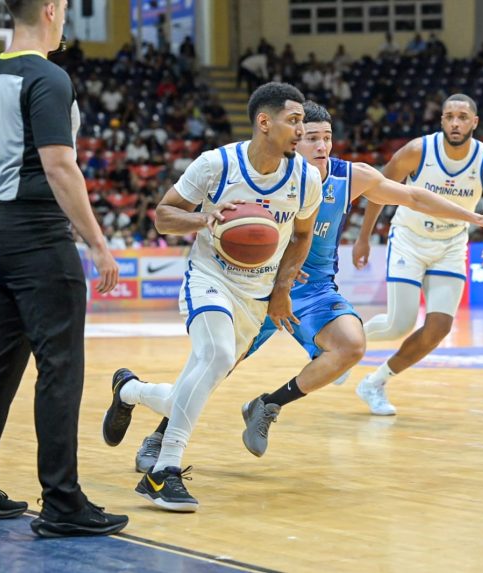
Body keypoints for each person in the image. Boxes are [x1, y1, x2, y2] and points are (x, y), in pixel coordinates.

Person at [129, 102, 483, 466]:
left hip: (312, 289)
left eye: (327, 137)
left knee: (352, 346)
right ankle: (159, 435)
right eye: (312, 137)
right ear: (295, 139)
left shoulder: (350, 176)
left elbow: (413, 195)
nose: (321, 145)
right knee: (216, 366)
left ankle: (268, 405)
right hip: (263, 284)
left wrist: (475, 218)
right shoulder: (274, 174)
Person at [0, 0, 127, 538]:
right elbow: (59, 165)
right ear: (48, 10)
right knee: (60, 367)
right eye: (63, 7)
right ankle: (62, 501)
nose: (64, 17)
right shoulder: (47, 76)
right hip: (39, 233)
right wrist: (98, 244)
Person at [101, 82, 322, 512]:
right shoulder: (216, 164)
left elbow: (302, 235)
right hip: (210, 277)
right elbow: (164, 216)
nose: (301, 130)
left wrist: (281, 290)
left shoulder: (305, 178)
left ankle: (130, 390)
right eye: (294, 120)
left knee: (190, 391)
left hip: (257, 295)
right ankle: (163, 472)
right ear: (264, 122)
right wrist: (203, 218)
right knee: (217, 355)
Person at [351, 94, 483, 415]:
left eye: (462, 117)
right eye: (449, 116)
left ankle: (374, 382)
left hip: (451, 244)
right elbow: (377, 189)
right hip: (410, 239)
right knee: (399, 324)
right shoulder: (418, 150)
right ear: (441, 120)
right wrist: (363, 237)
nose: (455, 123)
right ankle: (343, 346)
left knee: (438, 328)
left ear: (474, 122)